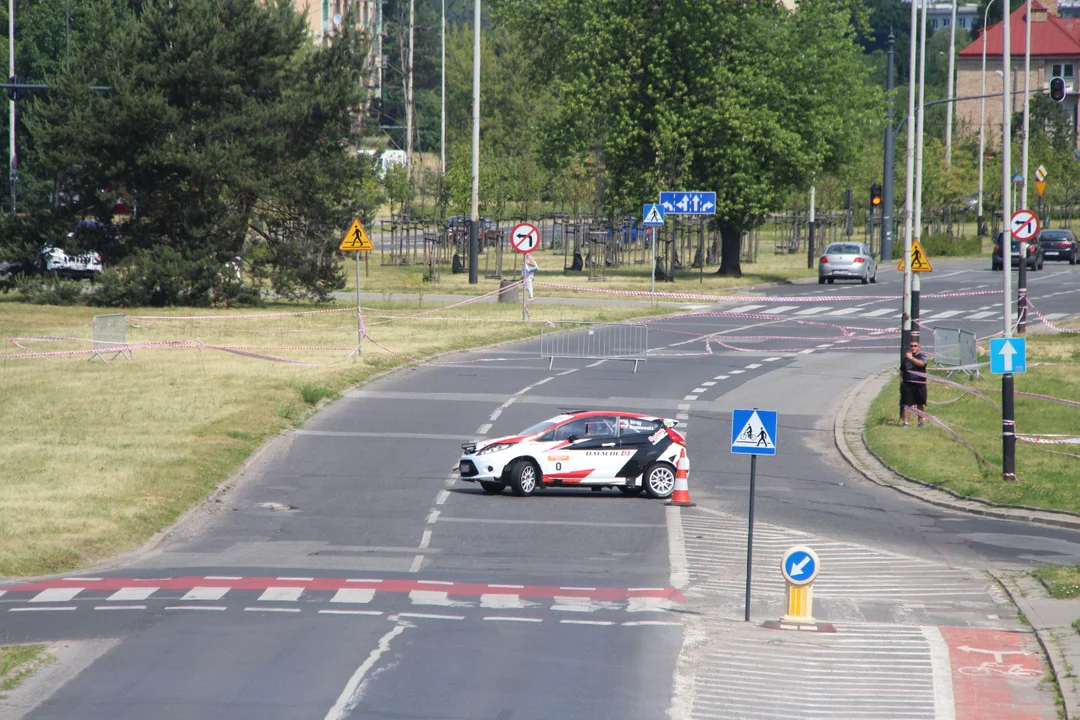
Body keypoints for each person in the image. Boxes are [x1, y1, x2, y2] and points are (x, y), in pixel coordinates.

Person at [901, 340, 928, 428]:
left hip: (919, 384)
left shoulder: (922, 356)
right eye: (911, 346)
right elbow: (902, 370)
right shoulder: (906, 358)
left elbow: (921, 364)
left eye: (915, 346)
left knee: (920, 403)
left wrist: (911, 358)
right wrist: (901, 380)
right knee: (907, 404)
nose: (913, 348)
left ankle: (920, 422)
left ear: (919, 347)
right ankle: (905, 423)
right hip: (908, 384)